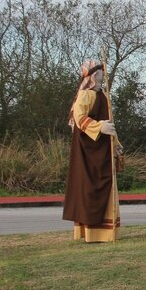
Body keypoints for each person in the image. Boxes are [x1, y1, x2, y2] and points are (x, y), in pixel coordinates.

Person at [62, 59, 121, 243]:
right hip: (89, 151)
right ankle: (90, 232)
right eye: (101, 73)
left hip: (103, 149)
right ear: (94, 75)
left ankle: (107, 233)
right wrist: (99, 127)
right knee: (89, 188)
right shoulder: (85, 95)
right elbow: (79, 118)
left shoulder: (103, 95)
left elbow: (109, 122)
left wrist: (116, 143)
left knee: (108, 186)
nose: (103, 75)